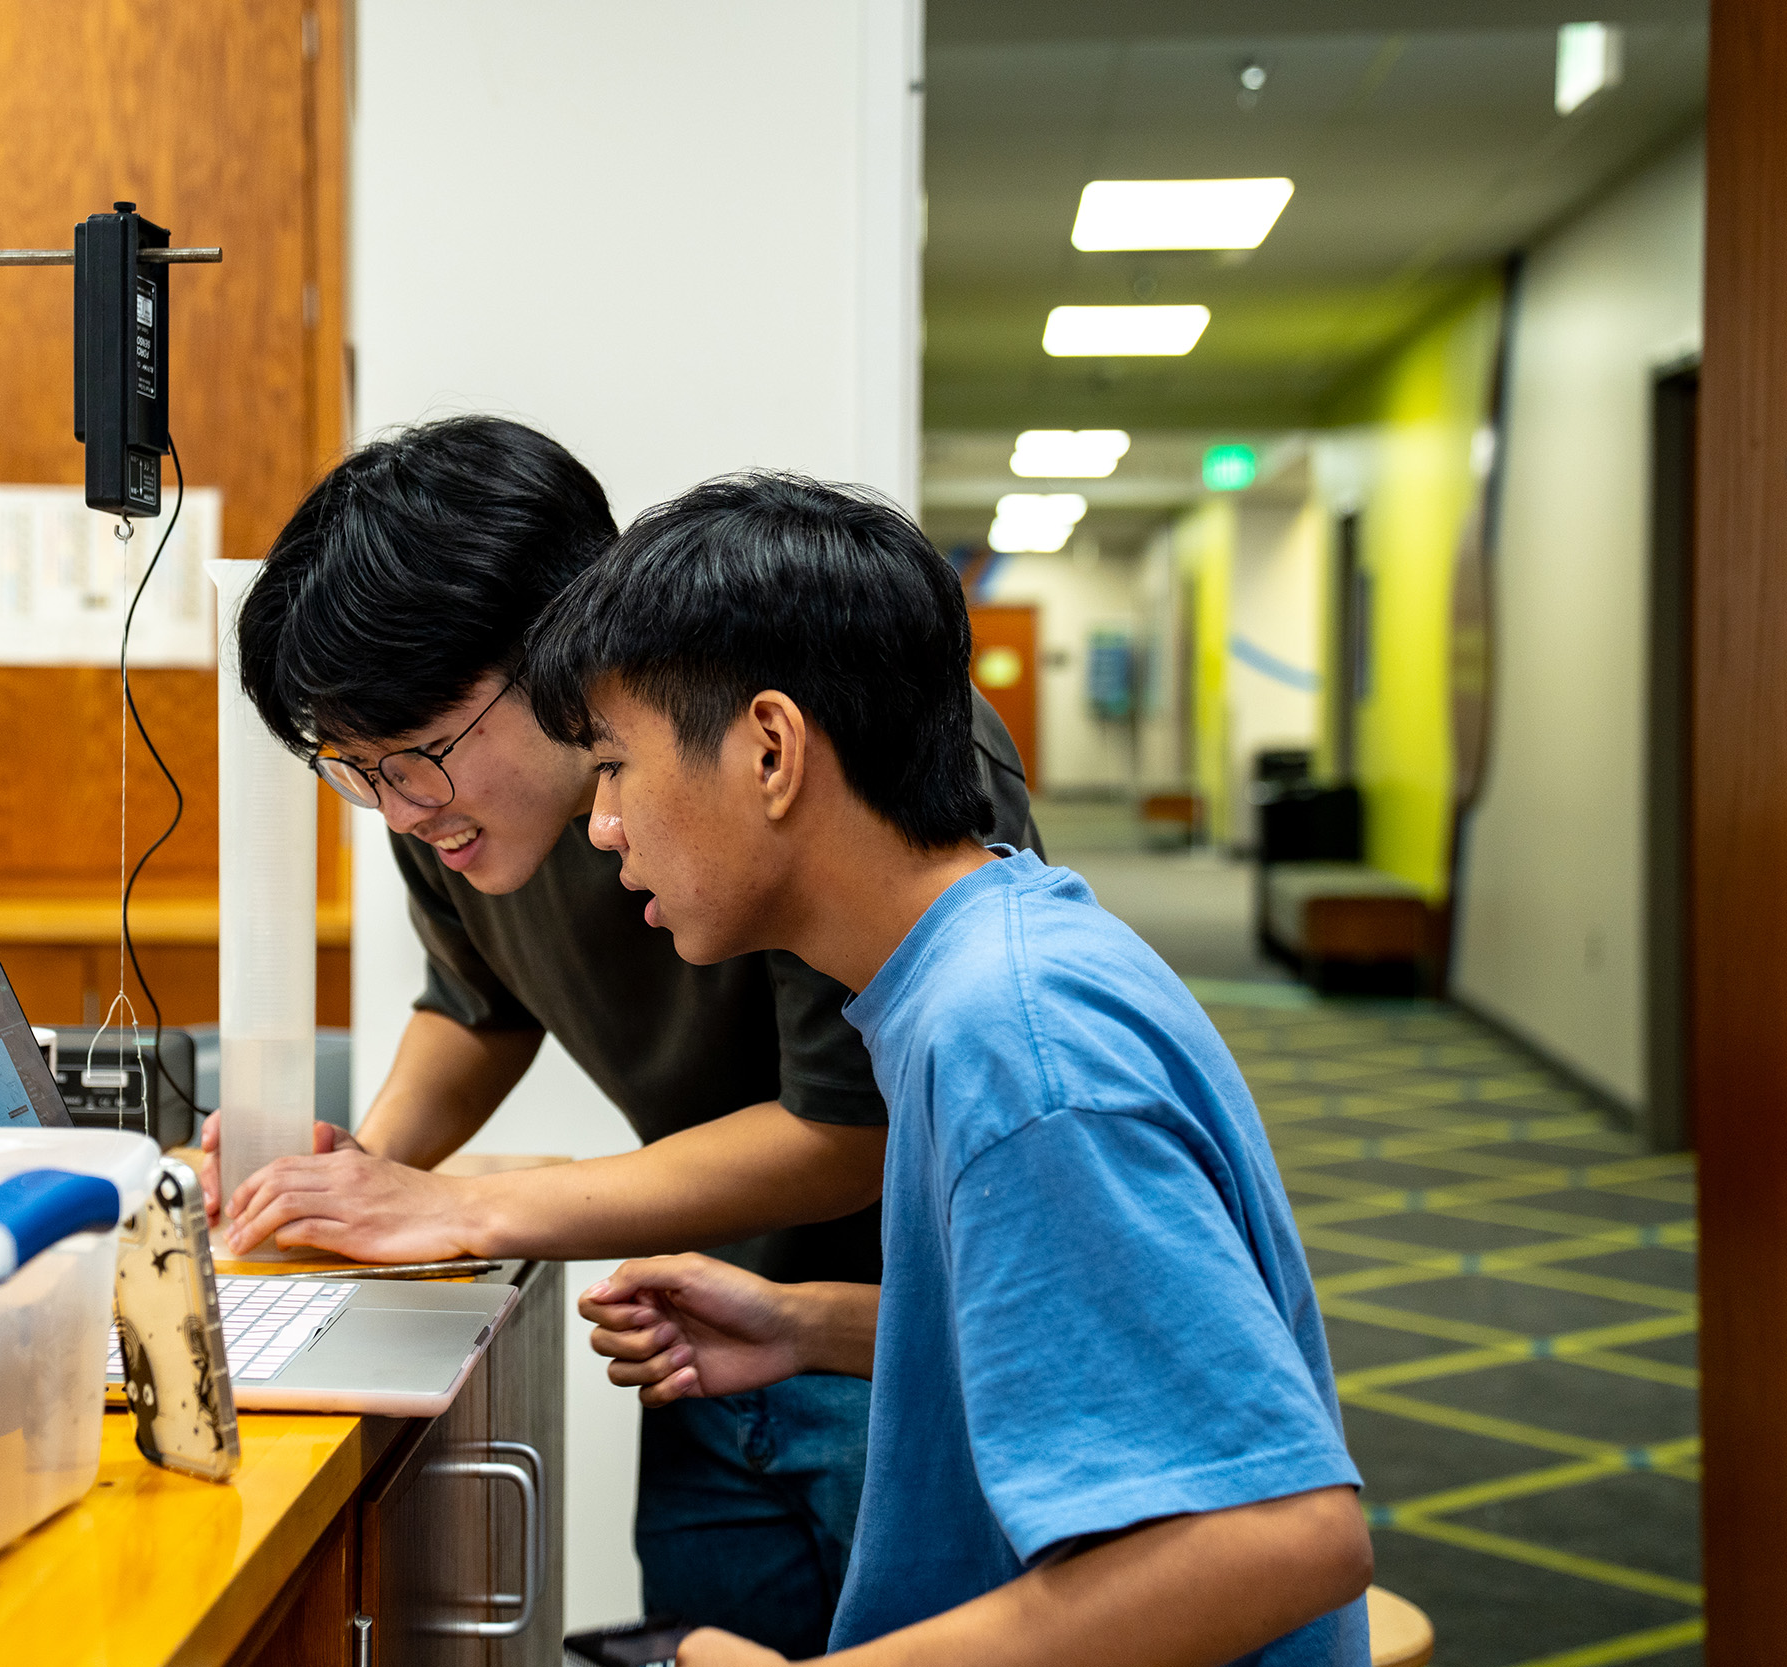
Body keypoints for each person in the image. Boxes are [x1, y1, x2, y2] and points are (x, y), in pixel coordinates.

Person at [200, 417, 1038, 1656]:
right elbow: (477, 1005)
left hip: (900, 1336)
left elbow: (849, 1127)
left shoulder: (808, 760)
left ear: (558, 658)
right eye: (354, 768)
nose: (396, 807)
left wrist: (467, 1210)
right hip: (712, 1325)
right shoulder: (446, 801)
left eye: (418, 756)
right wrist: (350, 1182)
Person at [527, 473, 1372, 1667]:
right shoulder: (982, 964)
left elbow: (1282, 1535)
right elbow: (1082, 1337)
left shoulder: (1015, 1039)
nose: (603, 823)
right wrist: (808, 1324)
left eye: (615, 765)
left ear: (770, 749)